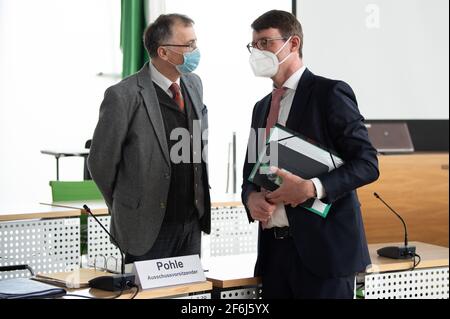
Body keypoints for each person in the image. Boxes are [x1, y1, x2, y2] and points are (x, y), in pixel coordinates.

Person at [241, 10, 379, 299]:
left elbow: (367, 163)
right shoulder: (261, 107)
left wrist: (311, 188)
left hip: (324, 254)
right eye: (255, 45)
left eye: (265, 42)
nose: (258, 51)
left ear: (293, 44)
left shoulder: (329, 93)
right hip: (274, 254)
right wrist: (251, 197)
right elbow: (250, 173)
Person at [88, 14, 210, 264]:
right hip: (146, 227)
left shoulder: (194, 84)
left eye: (195, 43)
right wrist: (128, 204)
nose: (195, 51)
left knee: (187, 297)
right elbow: (100, 164)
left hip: (190, 224)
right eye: (188, 45)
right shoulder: (123, 96)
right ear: (163, 52)